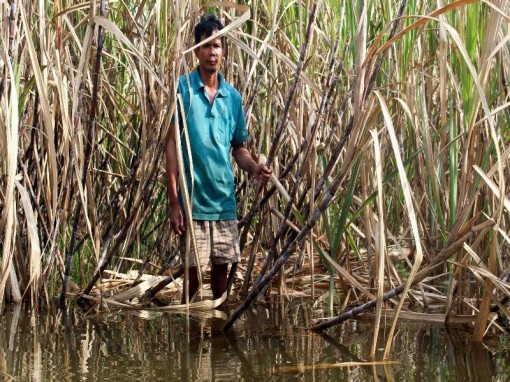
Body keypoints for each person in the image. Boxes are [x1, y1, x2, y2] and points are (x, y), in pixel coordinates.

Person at [165, 14, 272, 306]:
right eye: (206, 45)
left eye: (218, 46)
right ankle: (189, 346)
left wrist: (254, 168)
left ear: (224, 50)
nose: (213, 52)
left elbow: (239, 148)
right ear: (196, 50)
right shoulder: (184, 89)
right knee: (193, 280)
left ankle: (218, 344)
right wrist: (175, 203)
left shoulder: (232, 97)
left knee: (222, 283)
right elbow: (172, 144)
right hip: (193, 203)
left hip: (224, 202)